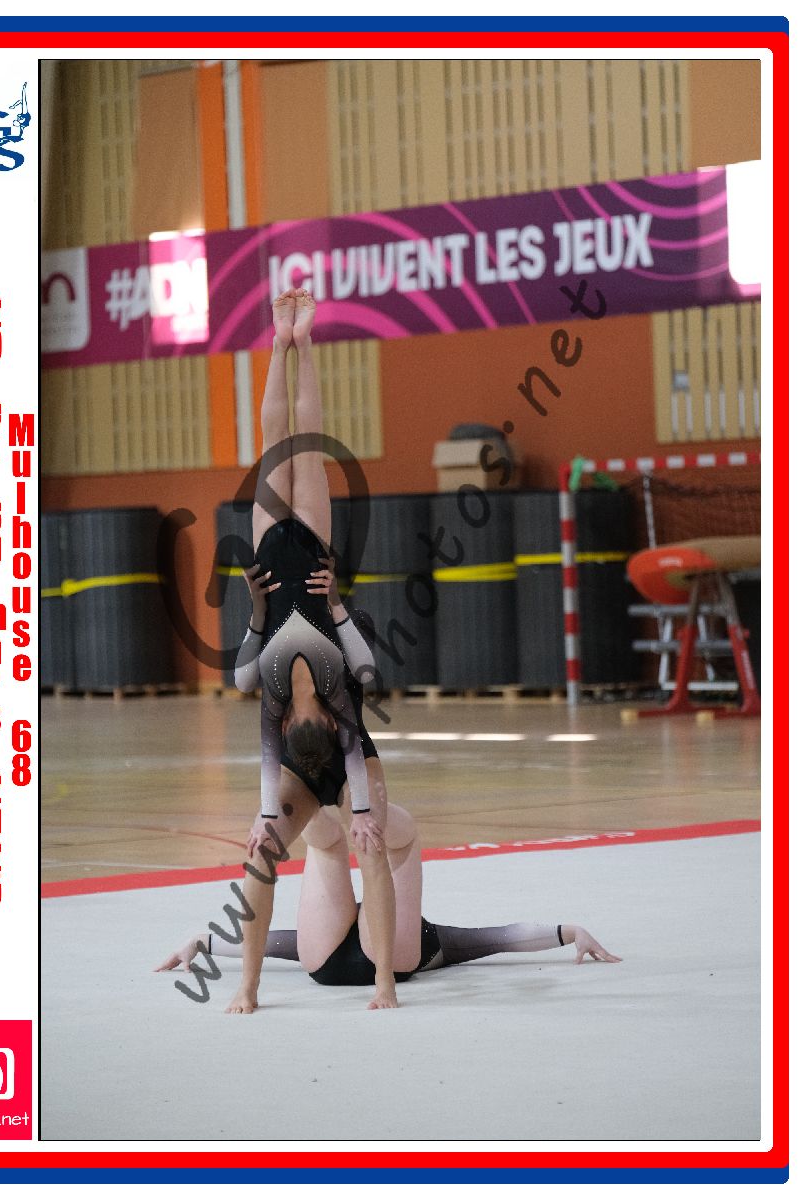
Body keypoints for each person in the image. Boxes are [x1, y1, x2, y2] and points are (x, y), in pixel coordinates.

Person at [224, 288, 397, 1013]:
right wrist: (267, 815)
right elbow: (279, 751)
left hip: (275, 556)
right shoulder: (322, 698)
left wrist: (362, 812)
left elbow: (242, 675)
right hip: (314, 554)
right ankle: (248, 985)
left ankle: (384, 981)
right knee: (262, 852)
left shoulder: (288, 692)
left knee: (280, 442)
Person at [158, 800, 622, 986]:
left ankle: (316, 799)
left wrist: (205, 941)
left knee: (328, 844)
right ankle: (356, 806)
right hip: (384, 958)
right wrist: (568, 932)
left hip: (322, 961)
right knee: (378, 841)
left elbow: (273, 944)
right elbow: (496, 939)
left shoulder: (326, 934)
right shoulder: (434, 941)